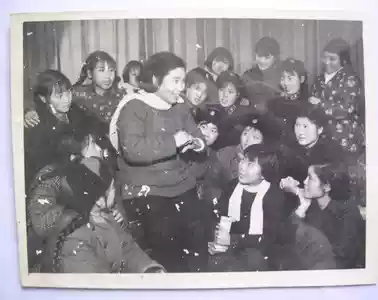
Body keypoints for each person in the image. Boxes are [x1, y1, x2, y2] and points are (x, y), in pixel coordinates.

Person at [114, 51, 209, 272]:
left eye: (182, 81)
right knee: (168, 246)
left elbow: (198, 135)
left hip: (179, 183)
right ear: (156, 80)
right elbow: (132, 150)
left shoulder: (181, 106)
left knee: (198, 239)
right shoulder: (134, 106)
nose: (180, 87)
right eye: (175, 81)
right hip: (147, 189)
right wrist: (173, 141)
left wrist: (197, 143)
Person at [39, 157, 165, 273]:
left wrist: (149, 269)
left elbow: (127, 249)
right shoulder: (75, 241)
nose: (116, 193)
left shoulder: (104, 215)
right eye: (113, 189)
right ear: (99, 199)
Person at [26, 131, 113, 271]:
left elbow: (106, 205)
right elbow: (40, 225)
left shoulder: (97, 170)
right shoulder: (51, 177)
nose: (103, 154)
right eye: (98, 147)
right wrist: (75, 205)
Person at [207, 144, 286, 272]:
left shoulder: (274, 196)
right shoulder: (232, 186)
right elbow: (219, 218)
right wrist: (216, 241)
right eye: (243, 159)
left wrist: (233, 241)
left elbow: (270, 239)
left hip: (257, 254)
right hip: (229, 248)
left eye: (250, 164)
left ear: (264, 173)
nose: (242, 167)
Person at [280, 163, 366, 269]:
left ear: (326, 186)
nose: (304, 182)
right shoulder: (311, 204)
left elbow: (344, 255)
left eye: (310, 178)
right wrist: (302, 206)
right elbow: (286, 238)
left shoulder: (348, 212)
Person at [24, 51, 126, 134]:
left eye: (111, 70)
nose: (108, 76)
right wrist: (30, 111)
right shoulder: (77, 93)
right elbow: (47, 97)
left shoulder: (122, 94)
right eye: (101, 70)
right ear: (89, 73)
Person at [23, 70, 89, 187]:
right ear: (43, 99)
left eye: (68, 93)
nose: (66, 99)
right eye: (59, 96)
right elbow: (42, 164)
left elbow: (95, 125)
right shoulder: (37, 122)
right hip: (51, 182)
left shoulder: (74, 110)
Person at [310, 38, 365, 156]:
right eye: (324, 57)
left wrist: (320, 103)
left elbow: (347, 109)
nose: (326, 62)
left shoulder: (350, 79)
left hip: (345, 140)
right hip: (322, 139)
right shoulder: (319, 79)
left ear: (343, 60)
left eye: (332, 59)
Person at [242, 36, 282, 112]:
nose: (262, 61)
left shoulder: (283, 76)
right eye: (259, 56)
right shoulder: (247, 75)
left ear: (275, 57)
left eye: (267, 57)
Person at [268, 58, 309, 129]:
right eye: (282, 78)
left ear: (302, 79)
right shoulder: (274, 103)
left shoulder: (308, 104)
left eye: (290, 78)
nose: (285, 83)